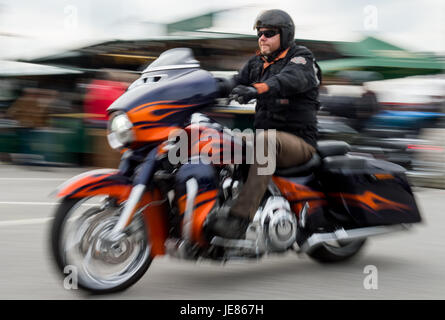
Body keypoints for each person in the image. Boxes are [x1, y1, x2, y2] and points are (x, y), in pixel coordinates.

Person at [207, 9, 322, 239]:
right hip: (266, 137)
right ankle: (214, 205)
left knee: (264, 141)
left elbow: (288, 80)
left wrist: (255, 89)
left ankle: (240, 219)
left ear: (285, 35)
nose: (262, 38)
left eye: (269, 33)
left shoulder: (302, 58)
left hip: (298, 142)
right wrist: (207, 86)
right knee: (217, 141)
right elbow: (234, 81)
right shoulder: (257, 63)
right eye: (259, 33)